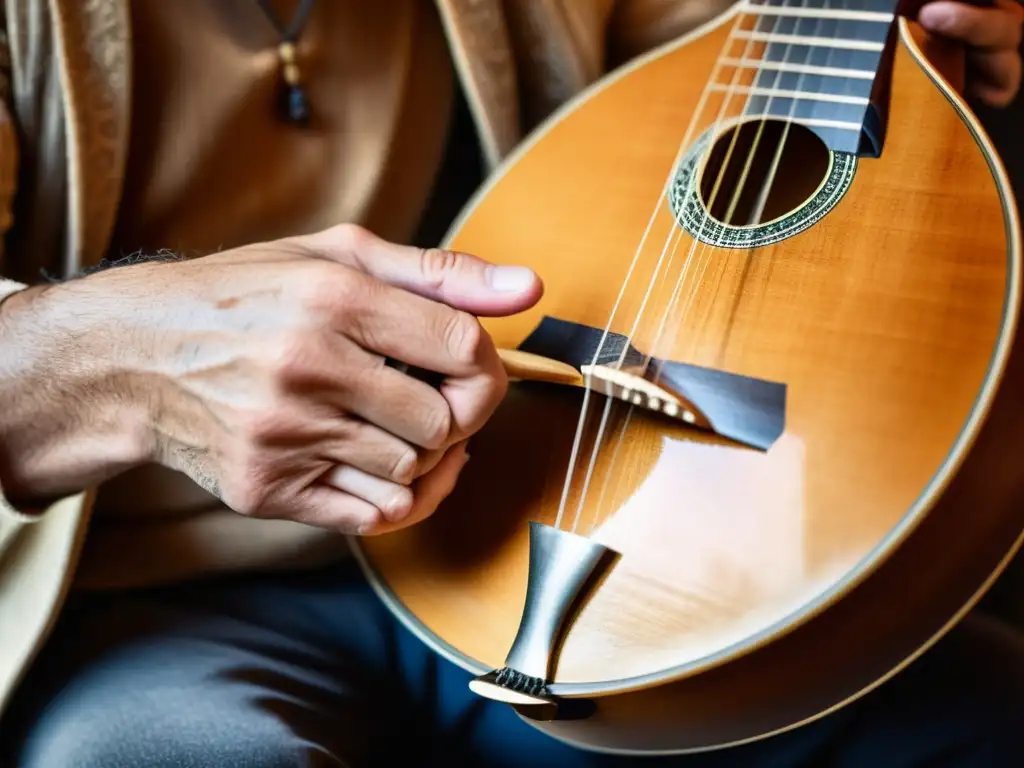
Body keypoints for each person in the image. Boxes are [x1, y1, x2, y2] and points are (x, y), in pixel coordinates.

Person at [0, 1, 1022, 765]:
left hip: (574, 525)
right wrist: (112, 361)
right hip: (151, 602)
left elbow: (722, 47)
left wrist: (914, 43)